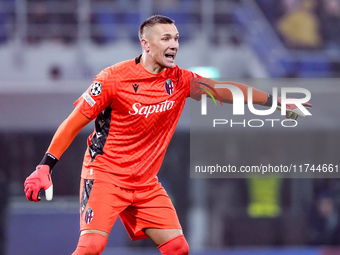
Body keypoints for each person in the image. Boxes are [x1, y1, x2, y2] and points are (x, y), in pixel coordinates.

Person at [24, 15, 311, 255]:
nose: (174, 45)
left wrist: (274, 101)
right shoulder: (113, 78)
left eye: (176, 39)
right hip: (106, 175)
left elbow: (224, 90)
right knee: (92, 246)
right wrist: (45, 166)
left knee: (177, 247)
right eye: (166, 39)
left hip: (145, 183)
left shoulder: (181, 80)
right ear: (145, 44)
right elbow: (73, 123)